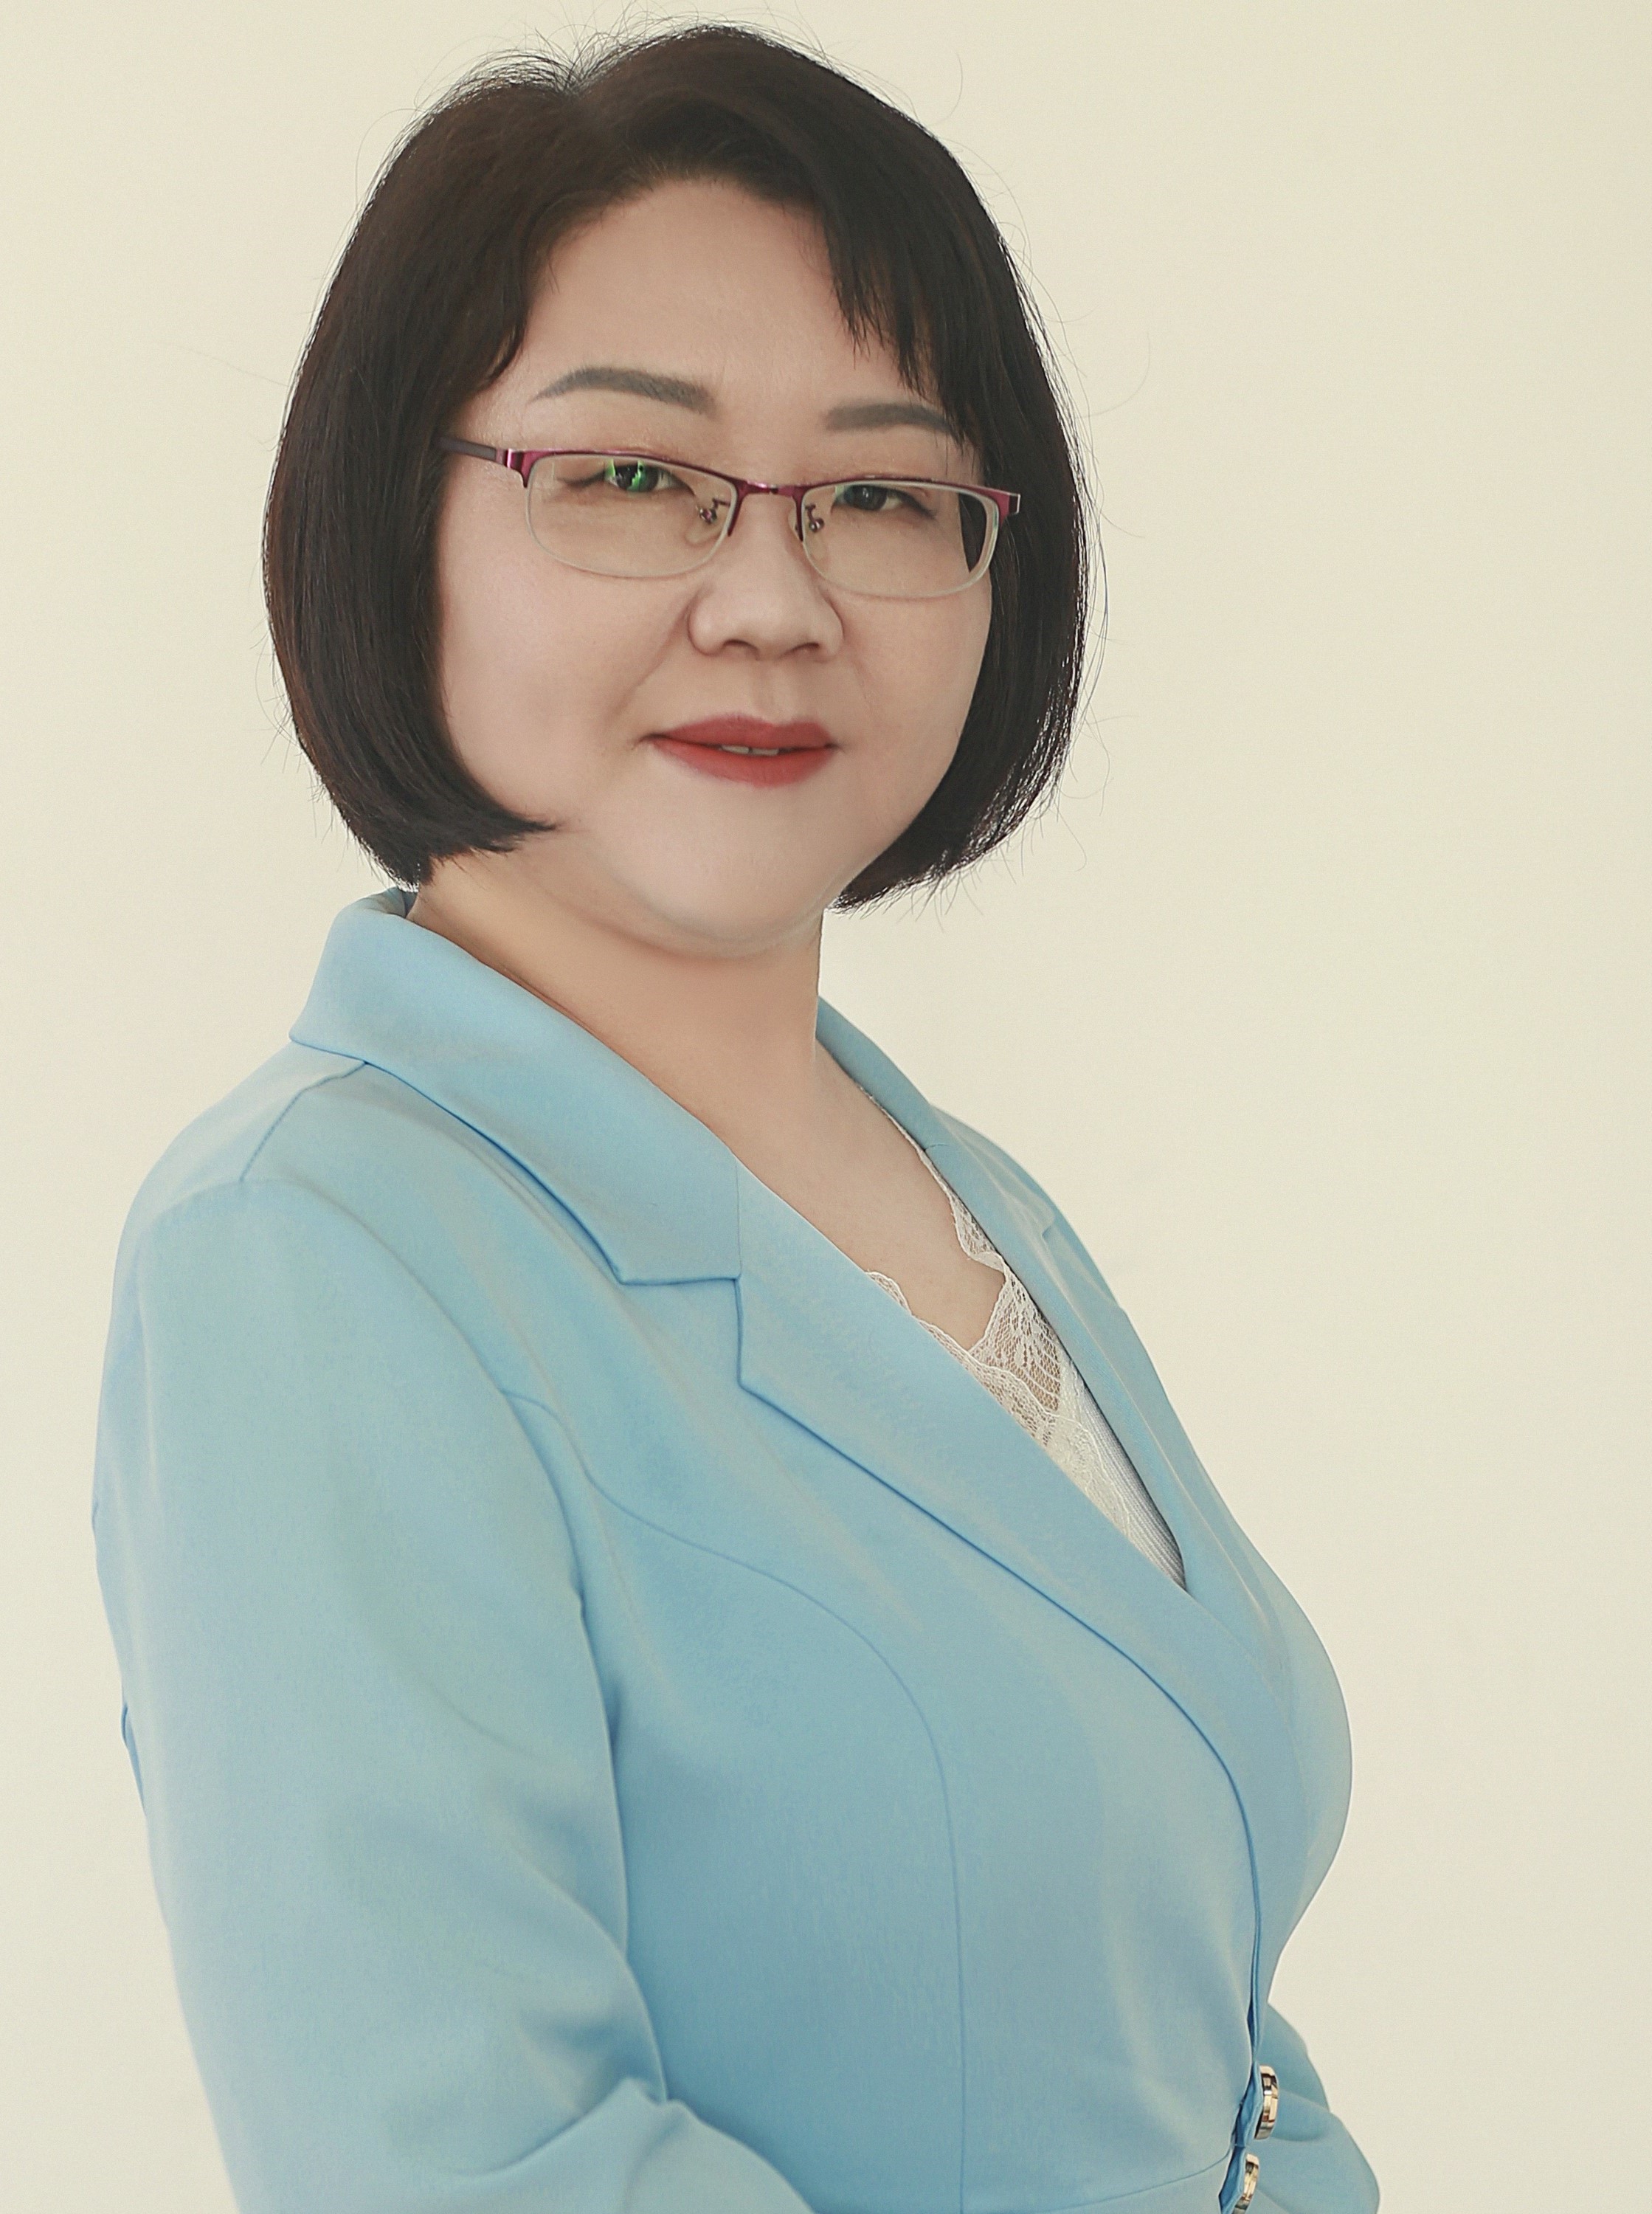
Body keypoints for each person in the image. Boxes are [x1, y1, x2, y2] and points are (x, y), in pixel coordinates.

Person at [91, 26, 1380, 2214]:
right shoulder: (310, 1256)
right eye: (629, 475)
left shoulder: (961, 1193)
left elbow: (1201, 2016)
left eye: (877, 495)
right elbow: (480, 2165)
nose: (774, 602)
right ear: (396, 524)